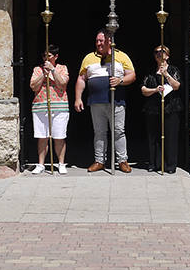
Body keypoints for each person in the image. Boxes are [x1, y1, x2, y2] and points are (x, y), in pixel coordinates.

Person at [74, 28, 136, 173]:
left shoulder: (121, 56)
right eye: (97, 41)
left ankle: (122, 160)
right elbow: (81, 79)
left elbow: (132, 75)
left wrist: (120, 80)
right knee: (99, 132)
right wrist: (78, 98)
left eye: (101, 41)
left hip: (116, 101)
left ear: (110, 41)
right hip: (96, 102)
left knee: (119, 131)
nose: (98, 43)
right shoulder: (89, 58)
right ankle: (99, 160)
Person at [141, 45, 182, 173]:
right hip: (154, 108)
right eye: (156, 52)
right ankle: (154, 163)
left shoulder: (174, 69)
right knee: (154, 136)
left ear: (167, 55)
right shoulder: (150, 71)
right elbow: (143, 89)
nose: (159, 54)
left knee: (170, 136)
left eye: (162, 52)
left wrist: (166, 75)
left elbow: (177, 86)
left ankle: (170, 165)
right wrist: (155, 90)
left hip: (171, 107)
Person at [29, 44, 69, 174]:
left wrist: (52, 70)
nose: (46, 58)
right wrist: (43, 75)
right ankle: (40, 164)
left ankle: (61, 163)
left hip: (59, 106)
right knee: (42, 136)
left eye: (49, 56)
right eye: (44, 55)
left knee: (59, 136)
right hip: (41, 106)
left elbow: (62, 84)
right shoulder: (37, 69)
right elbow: (33, 86)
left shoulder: (62, 68)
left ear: (56, 56)